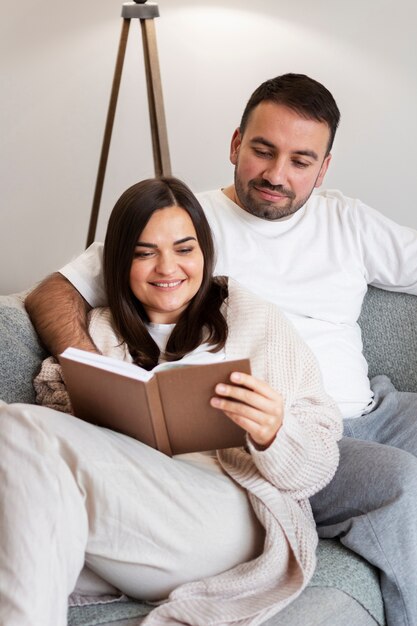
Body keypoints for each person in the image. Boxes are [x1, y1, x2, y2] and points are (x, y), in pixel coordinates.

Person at [24, 73, 417, 626]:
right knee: (402, 483)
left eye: (301, 160)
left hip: (374, 411)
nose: (277, 174)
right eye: (262, 150)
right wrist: (94, 370)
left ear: (323, 168)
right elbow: (54, 291)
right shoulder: (183, 224)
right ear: (236, 144)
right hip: (283, 436)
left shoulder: (347, 220)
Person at [0, 177, 342, 626]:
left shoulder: (250, 319)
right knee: (16, 435)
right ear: (121, 262)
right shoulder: (99, 332)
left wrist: (275, 432)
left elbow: (319, 463)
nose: (167, 267)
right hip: (135, 512)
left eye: (184, 249)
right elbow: (50, 452)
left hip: (229, 516)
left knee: (15, 425)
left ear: (204, 253)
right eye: (145, 252)